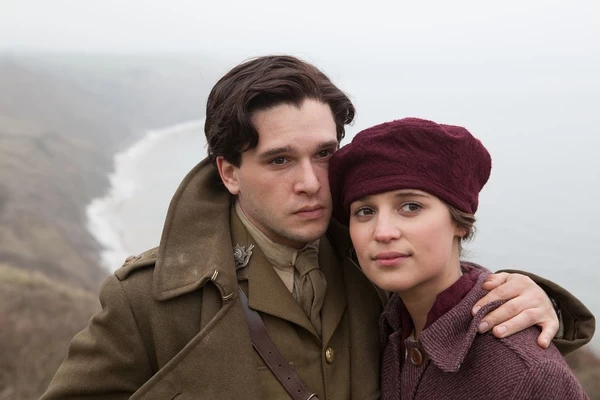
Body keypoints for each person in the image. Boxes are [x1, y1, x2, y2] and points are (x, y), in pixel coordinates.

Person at [42, 56, 594, 399]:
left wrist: (525, 294)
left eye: (324, 154)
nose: (310, 183)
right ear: (229, 172)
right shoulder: (147, 301)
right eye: (280, 160)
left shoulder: (376, 264)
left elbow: (451, 307)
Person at [329, 117, 591, 399]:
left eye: (411, 207)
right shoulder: (385, 329)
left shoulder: (527, 372)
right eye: (365, 211)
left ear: (460, 222)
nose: (382, 232)